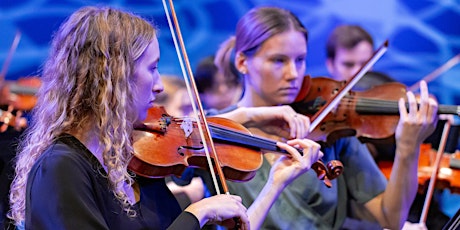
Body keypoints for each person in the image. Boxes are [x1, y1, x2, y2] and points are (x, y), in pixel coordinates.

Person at [7, 6, 325, 230]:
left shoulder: (129, 162)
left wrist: (272, 176)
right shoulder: (61, 166)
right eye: (151, 68)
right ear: (112, 78)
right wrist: (196, 214)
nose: (159, 85)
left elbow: (186, 132)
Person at [214, 6, 438, 230]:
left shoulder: (328, 127)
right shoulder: (213, 130)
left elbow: (389, 218)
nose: (293, 74)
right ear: (242, 62)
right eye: (279, 61)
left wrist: (408, 147)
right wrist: (247, 116)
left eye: (300, 60)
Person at [325, 25, 452, 229]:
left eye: (365, 64)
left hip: (405, 198)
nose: (359, 73)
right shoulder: (324, 117)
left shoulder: (388, 91)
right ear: (330, 64)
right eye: (348, 65)